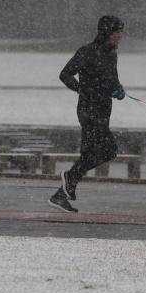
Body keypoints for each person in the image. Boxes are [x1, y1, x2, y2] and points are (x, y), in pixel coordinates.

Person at [48, 15, 126, 213]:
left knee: (90, 153)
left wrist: (118, 89)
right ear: (107, 32)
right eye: (118, 31)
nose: (120, 35)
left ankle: (61, 194)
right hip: (88, 109)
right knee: (108, 150)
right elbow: (65, 74)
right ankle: (69, 177)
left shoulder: (111, 53)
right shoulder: (87, 52)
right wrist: (83, 90)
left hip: (103, 109)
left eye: (121, 31)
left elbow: (112, 79)